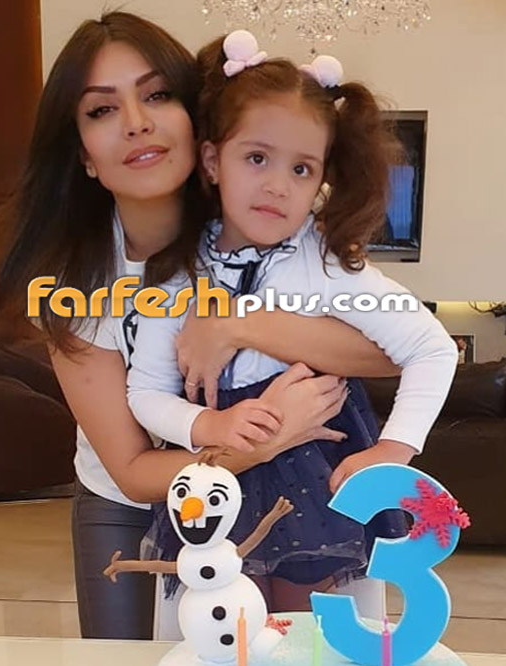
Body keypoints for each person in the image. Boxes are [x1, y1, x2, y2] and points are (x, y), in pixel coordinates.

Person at [0, 13, 401, 639]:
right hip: (134, 501)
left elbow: (390, 347)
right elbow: (131, 467)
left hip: (298, 490)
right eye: (101, 110)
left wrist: (238, 325)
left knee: (311, 649)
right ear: (83, 155)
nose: (136, 122)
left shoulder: (268, 213)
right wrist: (261, 441)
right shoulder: (72, 284)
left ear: (198, 122)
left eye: (156, 95)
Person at [126, 32, 459, 610]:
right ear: (213, 161)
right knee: (228, 627)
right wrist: (209, 426)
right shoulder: (174, 275)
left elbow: (432, 348)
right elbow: (145, 393)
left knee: (304, 635)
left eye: (302, 169)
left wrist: (394, 449)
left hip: (315, 477)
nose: (278, 185)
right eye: (257, 158)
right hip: (218, 479)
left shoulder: (329, 264)